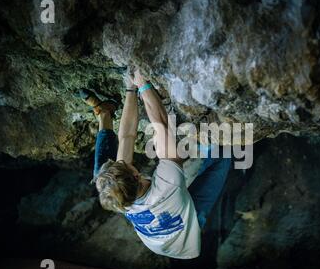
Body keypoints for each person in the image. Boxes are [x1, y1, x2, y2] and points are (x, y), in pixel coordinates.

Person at [79, 69, 231, 259]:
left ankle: (104, 113)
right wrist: (143, 84)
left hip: (156, 241)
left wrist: (130, 88)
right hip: (186, 239)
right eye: (124, 164)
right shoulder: (168, 184)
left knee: (100, 175)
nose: (121, 161)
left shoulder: (121, 198)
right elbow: (160, 124)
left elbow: (126, 136)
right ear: (137, 175)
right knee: (224, 154)